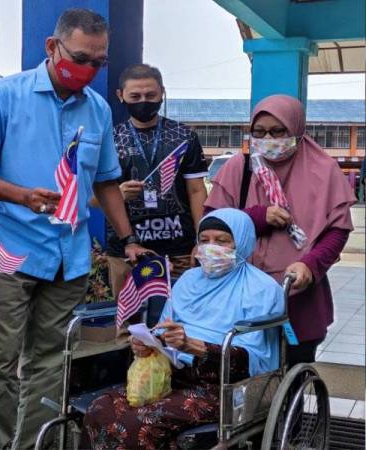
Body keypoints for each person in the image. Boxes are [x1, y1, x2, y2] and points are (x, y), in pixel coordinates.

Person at [0, 8, 150, 450]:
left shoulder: (97, 108)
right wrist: (21, 195)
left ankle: (33, 446)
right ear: (52, 47)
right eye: (81, 57)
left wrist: (129, 238)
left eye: (98, 62)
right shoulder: (2, 97)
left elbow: (105, 180)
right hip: (8, 251)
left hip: (68, 257)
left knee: (50, 364)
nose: (89, 69)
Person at [83, 208, 284, 449]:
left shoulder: (261, 289)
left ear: (242, 242)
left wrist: (191, 345)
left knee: (135, 425)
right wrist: (148, 343)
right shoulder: (189, 280)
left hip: (222, 388)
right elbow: (164, 329)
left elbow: (253, 361)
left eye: (222, 241)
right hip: (171, 376)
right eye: (204, 240)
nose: (210, 248)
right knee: (99, 409)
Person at [205, 94, 356, 366]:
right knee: (239, 373)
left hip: (296, 293)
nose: (269, 139)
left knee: (293, 371)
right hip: (242, 292)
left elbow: (337, 230)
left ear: (296, 129)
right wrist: (259, 217)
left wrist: (309, 266)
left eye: (278, 131)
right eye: (259, 132)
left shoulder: (323, 170)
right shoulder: (240, 167)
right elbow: (214, 223)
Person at [103, 64, 208, 323]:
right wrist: (117, 194)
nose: (143, 102)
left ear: (162, 93)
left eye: (150, 95)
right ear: (120, 96)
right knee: (131, 329)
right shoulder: (109, 140)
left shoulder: (185, 136)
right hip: (127, 253)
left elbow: (196, 191)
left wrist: (201, 240)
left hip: (181, 250)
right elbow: (92, 198)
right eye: (135, 97)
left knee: (182, 325)